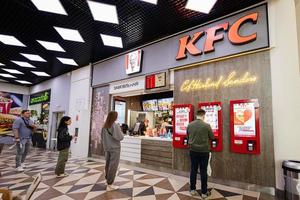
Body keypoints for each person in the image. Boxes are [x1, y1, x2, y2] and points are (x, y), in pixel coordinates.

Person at [187, 109, 215, 198]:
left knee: (193, 170)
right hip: (204, 152)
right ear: (203, 116)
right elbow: (212, 137)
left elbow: (188, 136)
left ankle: (192, 190)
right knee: (203, 171)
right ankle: (204, 192)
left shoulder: (190, 125)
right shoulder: (207, 125)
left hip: (193, 151)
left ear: (196, 115)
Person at [101, 111, 124, 191]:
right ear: (115, 117)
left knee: (108, 164)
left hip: (107, 148)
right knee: (113, 166)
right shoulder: (115, 125)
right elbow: (120, 137)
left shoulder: (104, 126)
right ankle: (110, 184)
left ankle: (107, 180)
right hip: (115, 149)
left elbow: (102, 138)